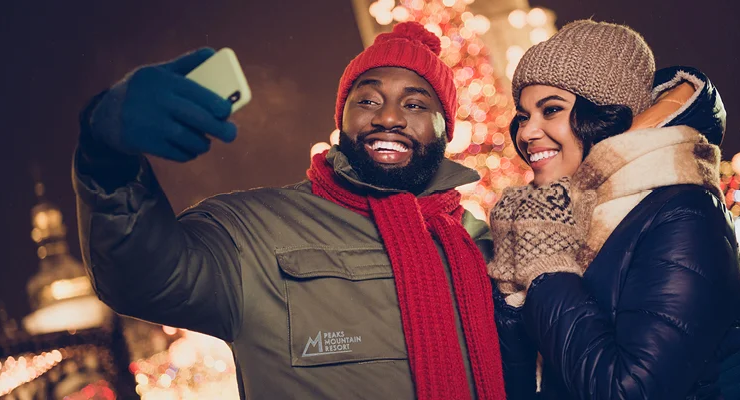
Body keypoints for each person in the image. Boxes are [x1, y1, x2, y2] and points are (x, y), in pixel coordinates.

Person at [72, 22, 505, 399]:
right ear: (342, 119)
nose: (388, 117)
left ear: (444, 127)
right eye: (367, 101)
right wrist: (107, 158)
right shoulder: (251, 232)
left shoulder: (484, 246)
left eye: (414, 104)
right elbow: (143, 279)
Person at [488, 20, 740, 399]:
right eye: (523, 116)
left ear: (603, 115)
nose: (526, 132)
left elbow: (628, 390)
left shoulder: (681, 213)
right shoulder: (559, 215)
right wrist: (509, 298)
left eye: (550, 110)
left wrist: (544, 268)